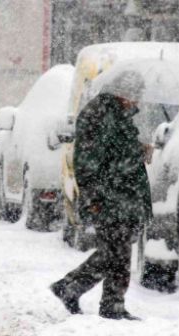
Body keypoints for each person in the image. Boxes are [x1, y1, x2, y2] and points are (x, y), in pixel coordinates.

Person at [50, 72, 152, 320]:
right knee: (114, 252)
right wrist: (94, 196)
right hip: (109, 196)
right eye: (135, 96)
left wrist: (138, 149)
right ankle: (79, 290)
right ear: (123, 93)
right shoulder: (102, 115)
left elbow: (114, 151)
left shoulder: (115, 115)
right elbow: (96, 160)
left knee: (117, 251)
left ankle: (106, 301)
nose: (137, 102)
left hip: (119, 196)